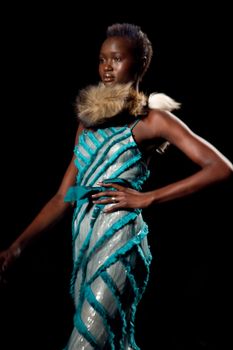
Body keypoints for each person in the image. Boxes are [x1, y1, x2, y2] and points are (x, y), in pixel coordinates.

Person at [0, 22, 232, 350]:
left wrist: (148, 198)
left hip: (119, 236)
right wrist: (17, 246)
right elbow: (64, 196)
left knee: (87, 341)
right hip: (84, 236)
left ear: (139, 64)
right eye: (102, 59)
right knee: (110, 341)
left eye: (117, 58)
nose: (107, 67)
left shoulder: (152, 120)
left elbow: (219, 167)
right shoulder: (87, 124)